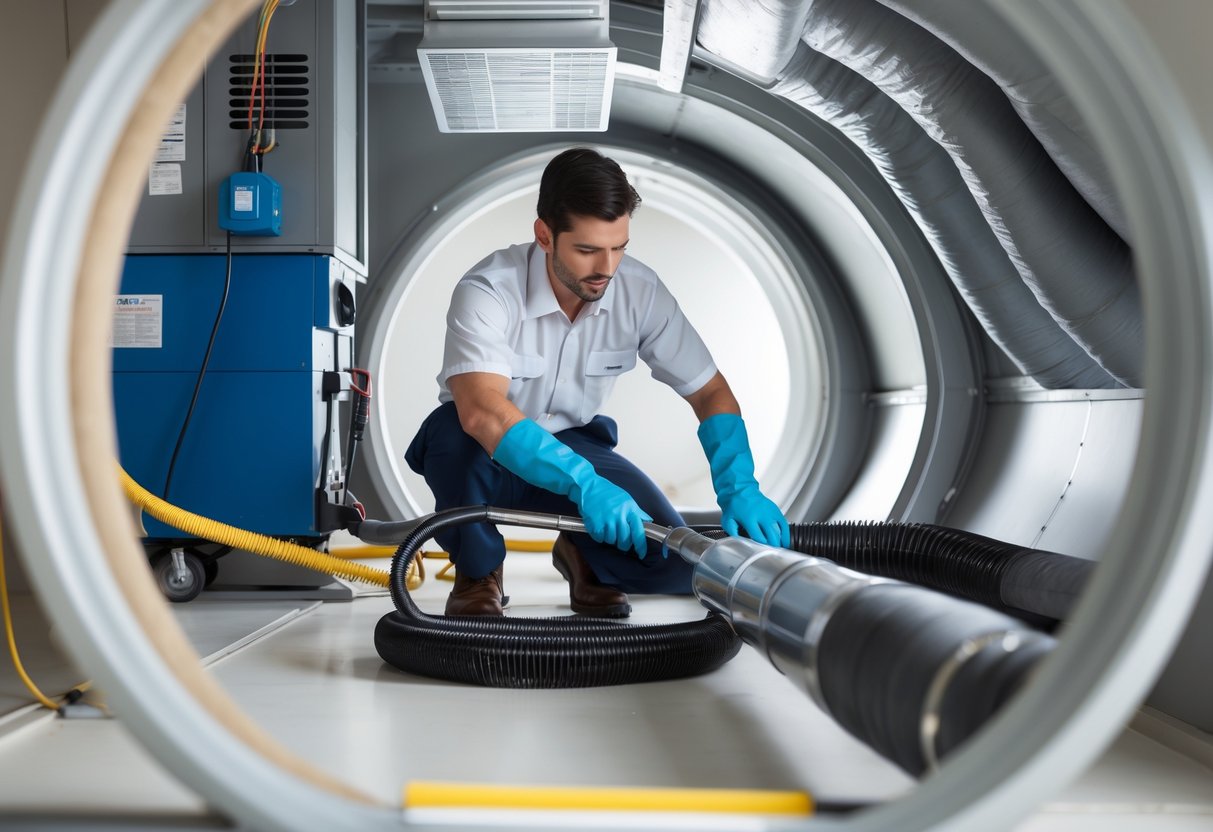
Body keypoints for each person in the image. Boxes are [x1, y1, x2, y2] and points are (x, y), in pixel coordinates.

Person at [405, 147, 788, 617]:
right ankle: (477, 572)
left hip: (575, 443)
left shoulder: (641, 292)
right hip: (483, 452)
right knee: (454, 440)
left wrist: (739, 486)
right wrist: (584, 484)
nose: (606, 267)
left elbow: (709, 391)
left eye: (618, 246)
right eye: (587, 249)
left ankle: (581, 554)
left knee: (669, 565)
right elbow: (481, 409)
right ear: (544, 235)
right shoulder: (489, 289)